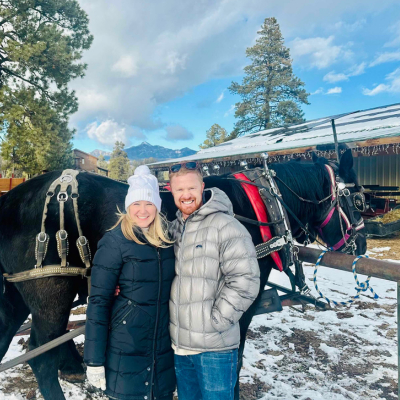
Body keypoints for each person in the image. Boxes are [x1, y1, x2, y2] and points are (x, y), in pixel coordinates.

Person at [168, 161, 260, 400]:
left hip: (214, 350)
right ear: (171, 191)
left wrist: (217, 321)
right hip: (181, 347)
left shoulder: (226, 226)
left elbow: (246, 280)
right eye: (180, 190)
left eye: (191, 188)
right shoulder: (175, 229)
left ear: (202, 187)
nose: (186, 195)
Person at [84, 165, 176, 400]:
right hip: (126, 347)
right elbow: (98, 302)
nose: (143, 211)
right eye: (136, 203)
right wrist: (94, 360)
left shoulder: (167, 241)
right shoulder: (114, 242)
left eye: (149, 203)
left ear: (157, 205)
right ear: (127, 206)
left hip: (162, 348)